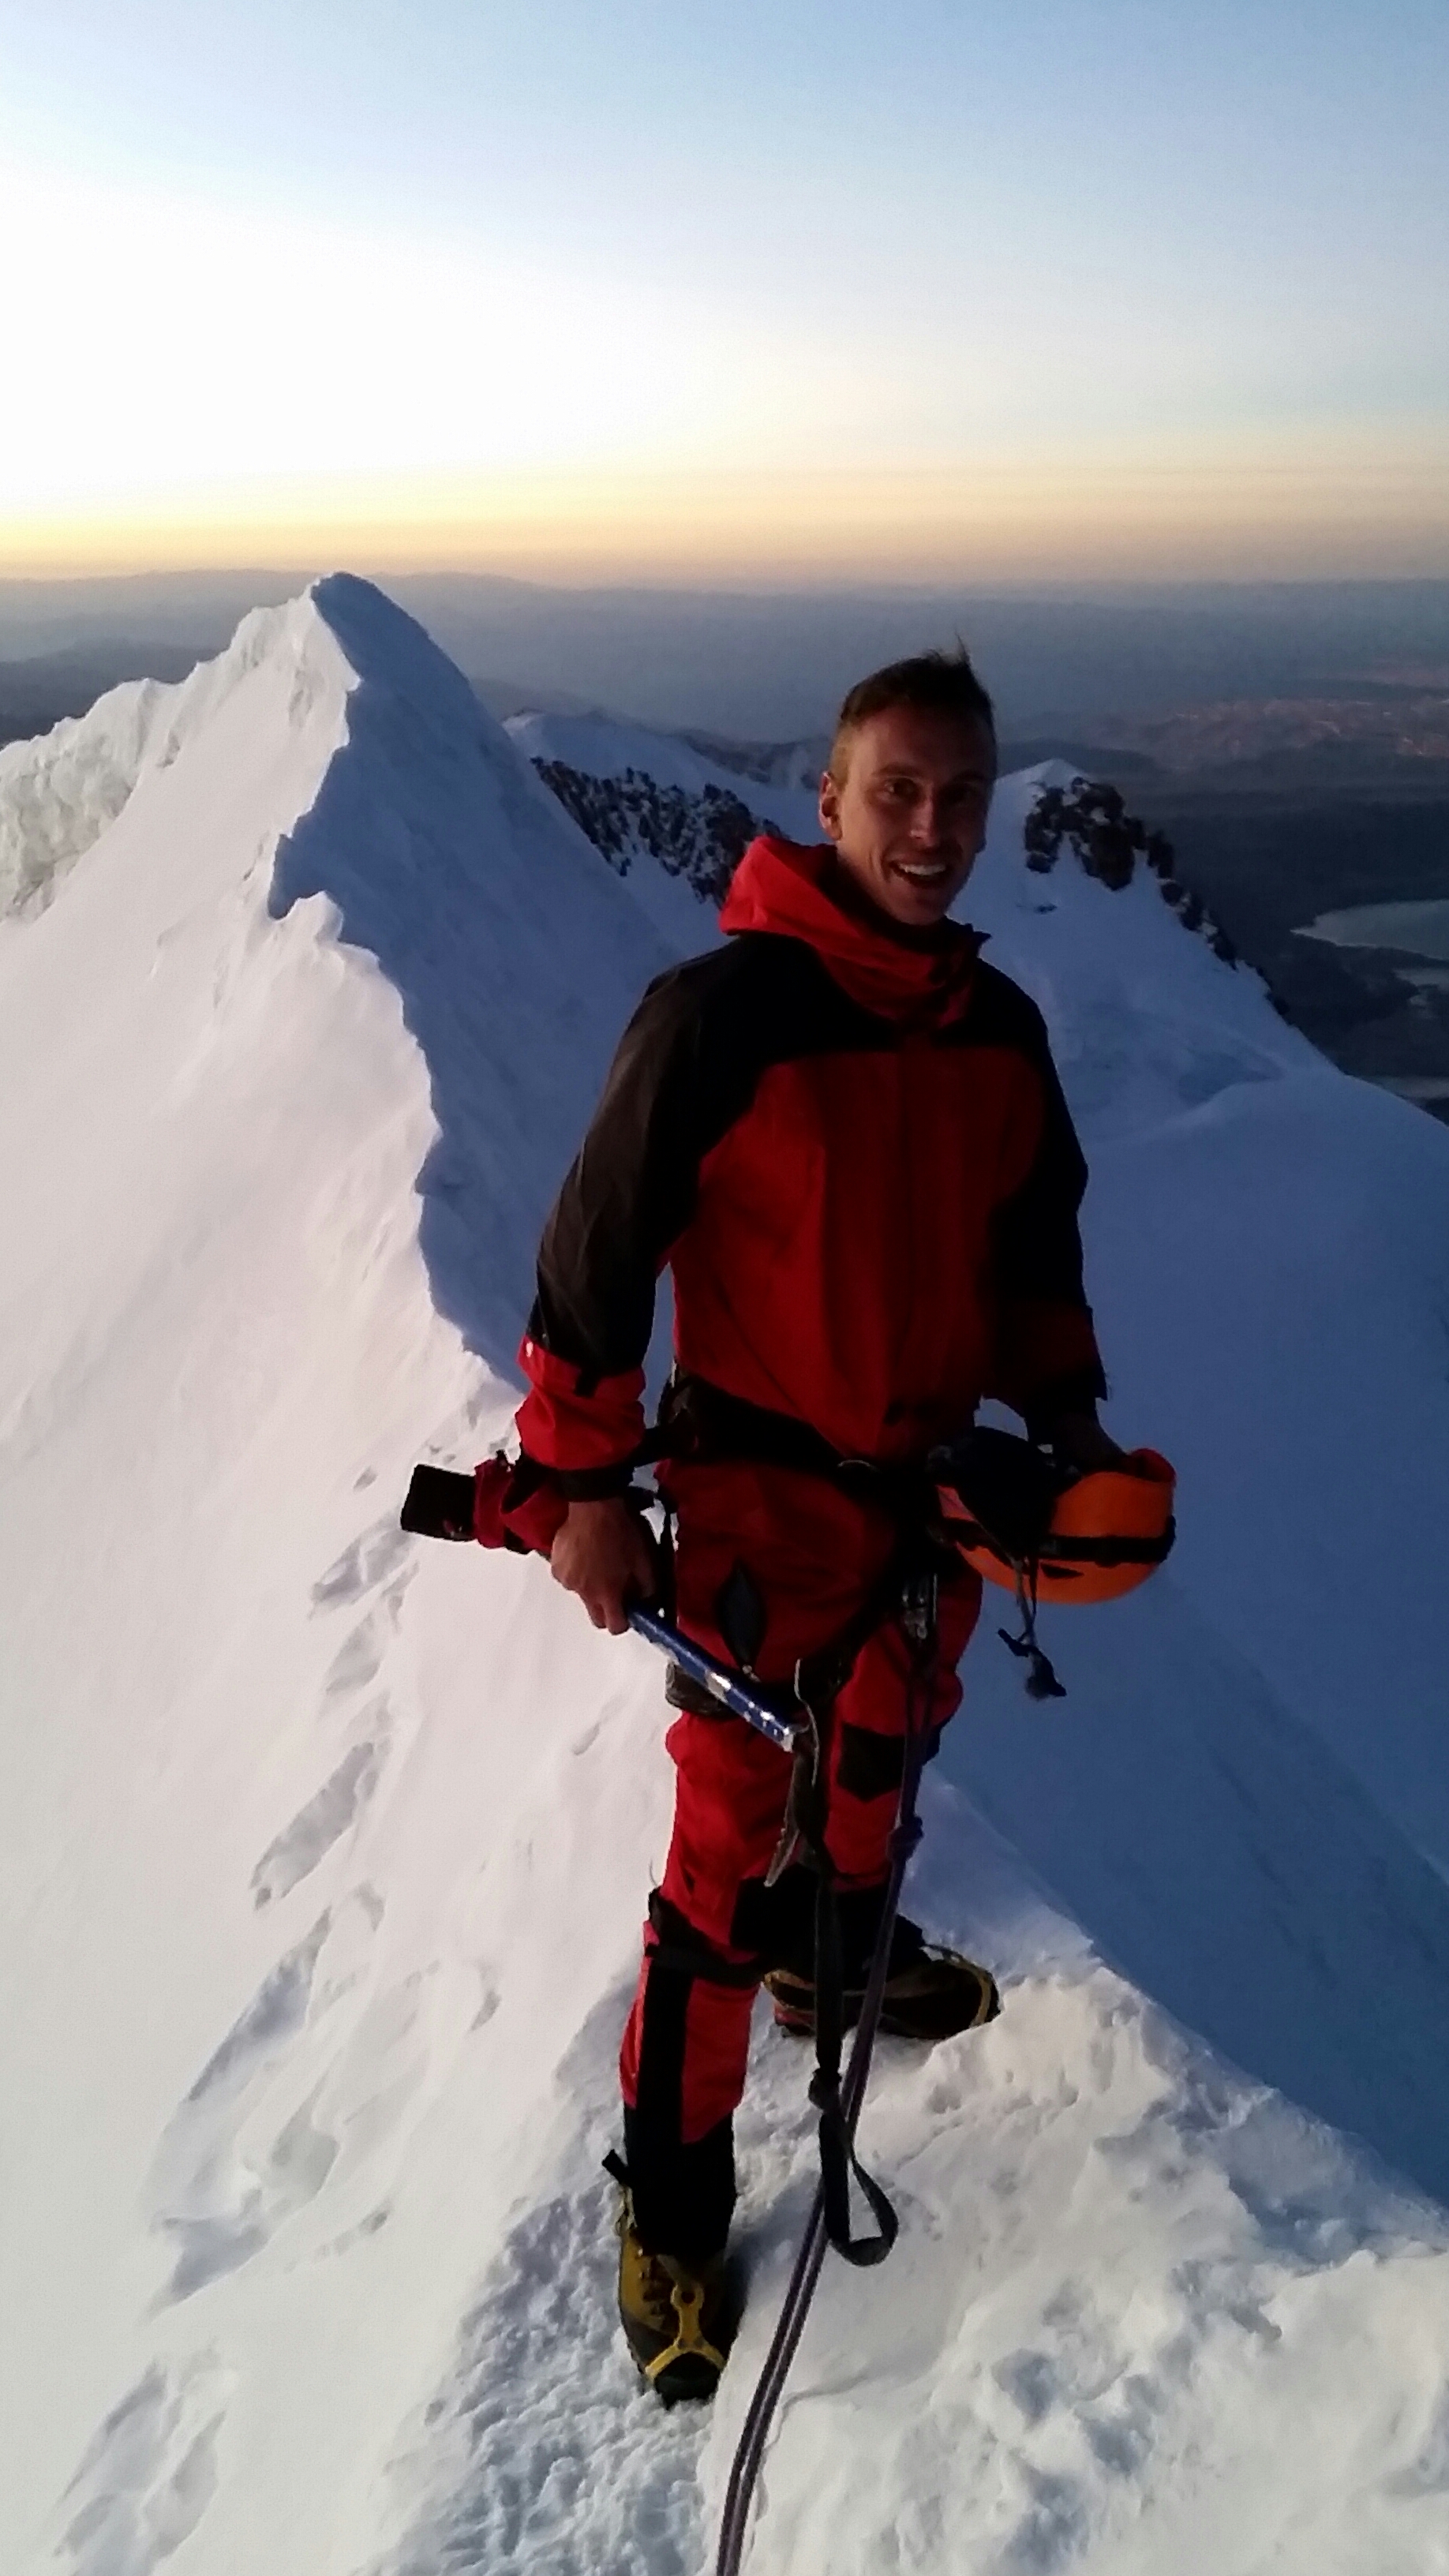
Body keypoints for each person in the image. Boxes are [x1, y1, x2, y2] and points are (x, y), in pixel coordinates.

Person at [512, 650, 1117, 2399]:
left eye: (962, 795)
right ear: (831, 799)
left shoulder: (993, 1033)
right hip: (759, 1509)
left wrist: (1069, 1427)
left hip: (925, 1512)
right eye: (897, 792)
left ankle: (832, 1969)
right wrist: (580, 1489)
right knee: (721, 1872)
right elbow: (594, 1258)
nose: (933, 828)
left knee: (879, 1768)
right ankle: (673, 2205)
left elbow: (1034, 1262)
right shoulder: (726, 1016)